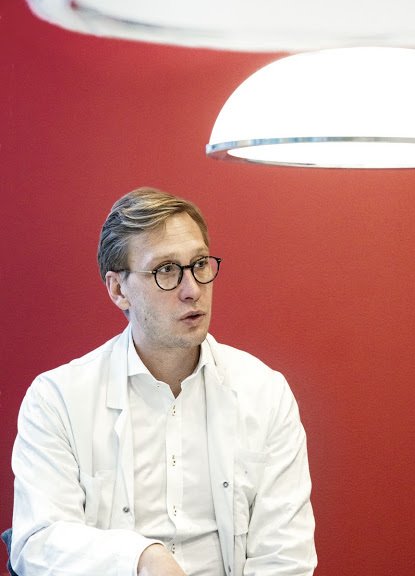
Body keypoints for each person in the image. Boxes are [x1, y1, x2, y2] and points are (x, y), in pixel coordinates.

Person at [10, 187, 316, 576]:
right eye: (166, 270)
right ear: (118, 289)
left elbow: (285, 558)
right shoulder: (57, 399)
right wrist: (140, 558)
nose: (192, 290)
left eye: (200, 264)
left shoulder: (265, 393)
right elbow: (36, 543)